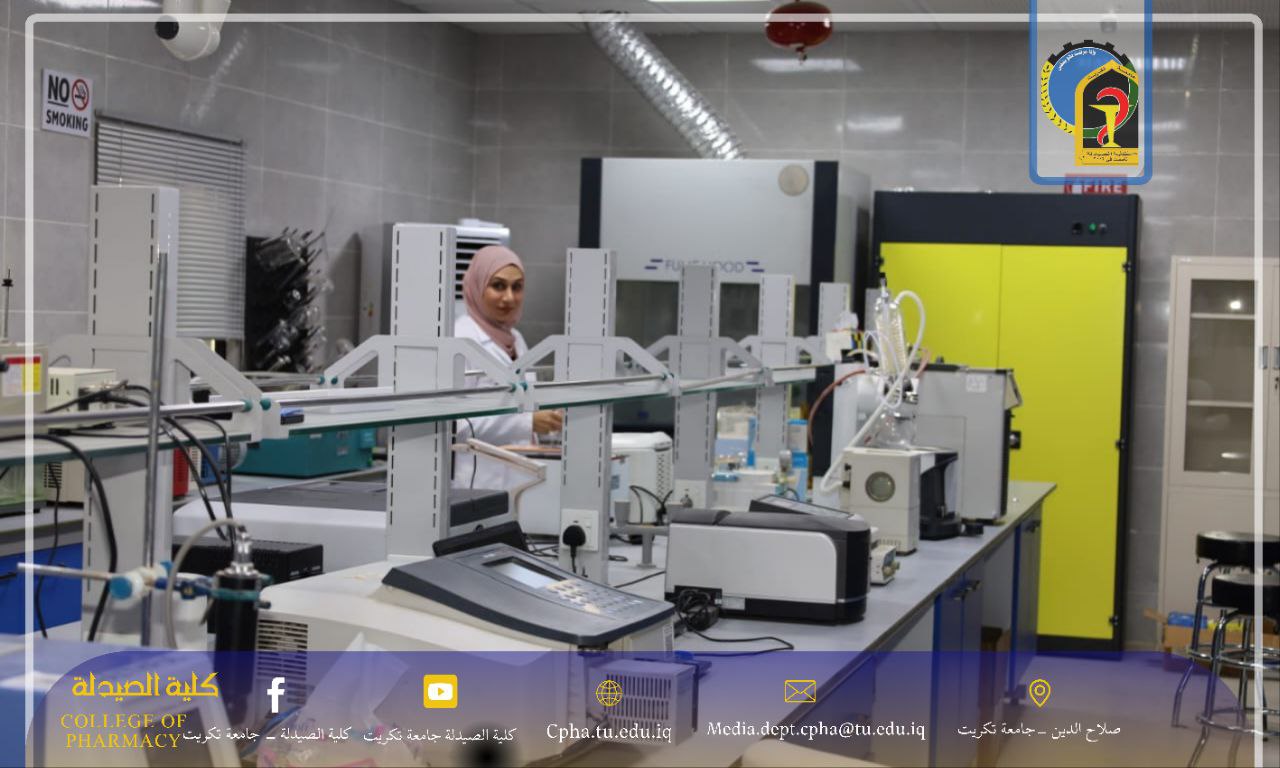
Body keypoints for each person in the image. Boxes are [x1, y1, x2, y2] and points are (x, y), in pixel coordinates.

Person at [453, 245, 563, 491]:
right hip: (477, 481)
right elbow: (455, 425)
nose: (509, 298)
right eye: (498, 286)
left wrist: (548, 416)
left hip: (520, 477)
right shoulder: (461, 340)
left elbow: (524, 401)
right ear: (477, 286)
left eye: (517, 287)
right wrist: (528, 423)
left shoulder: (516, 340)